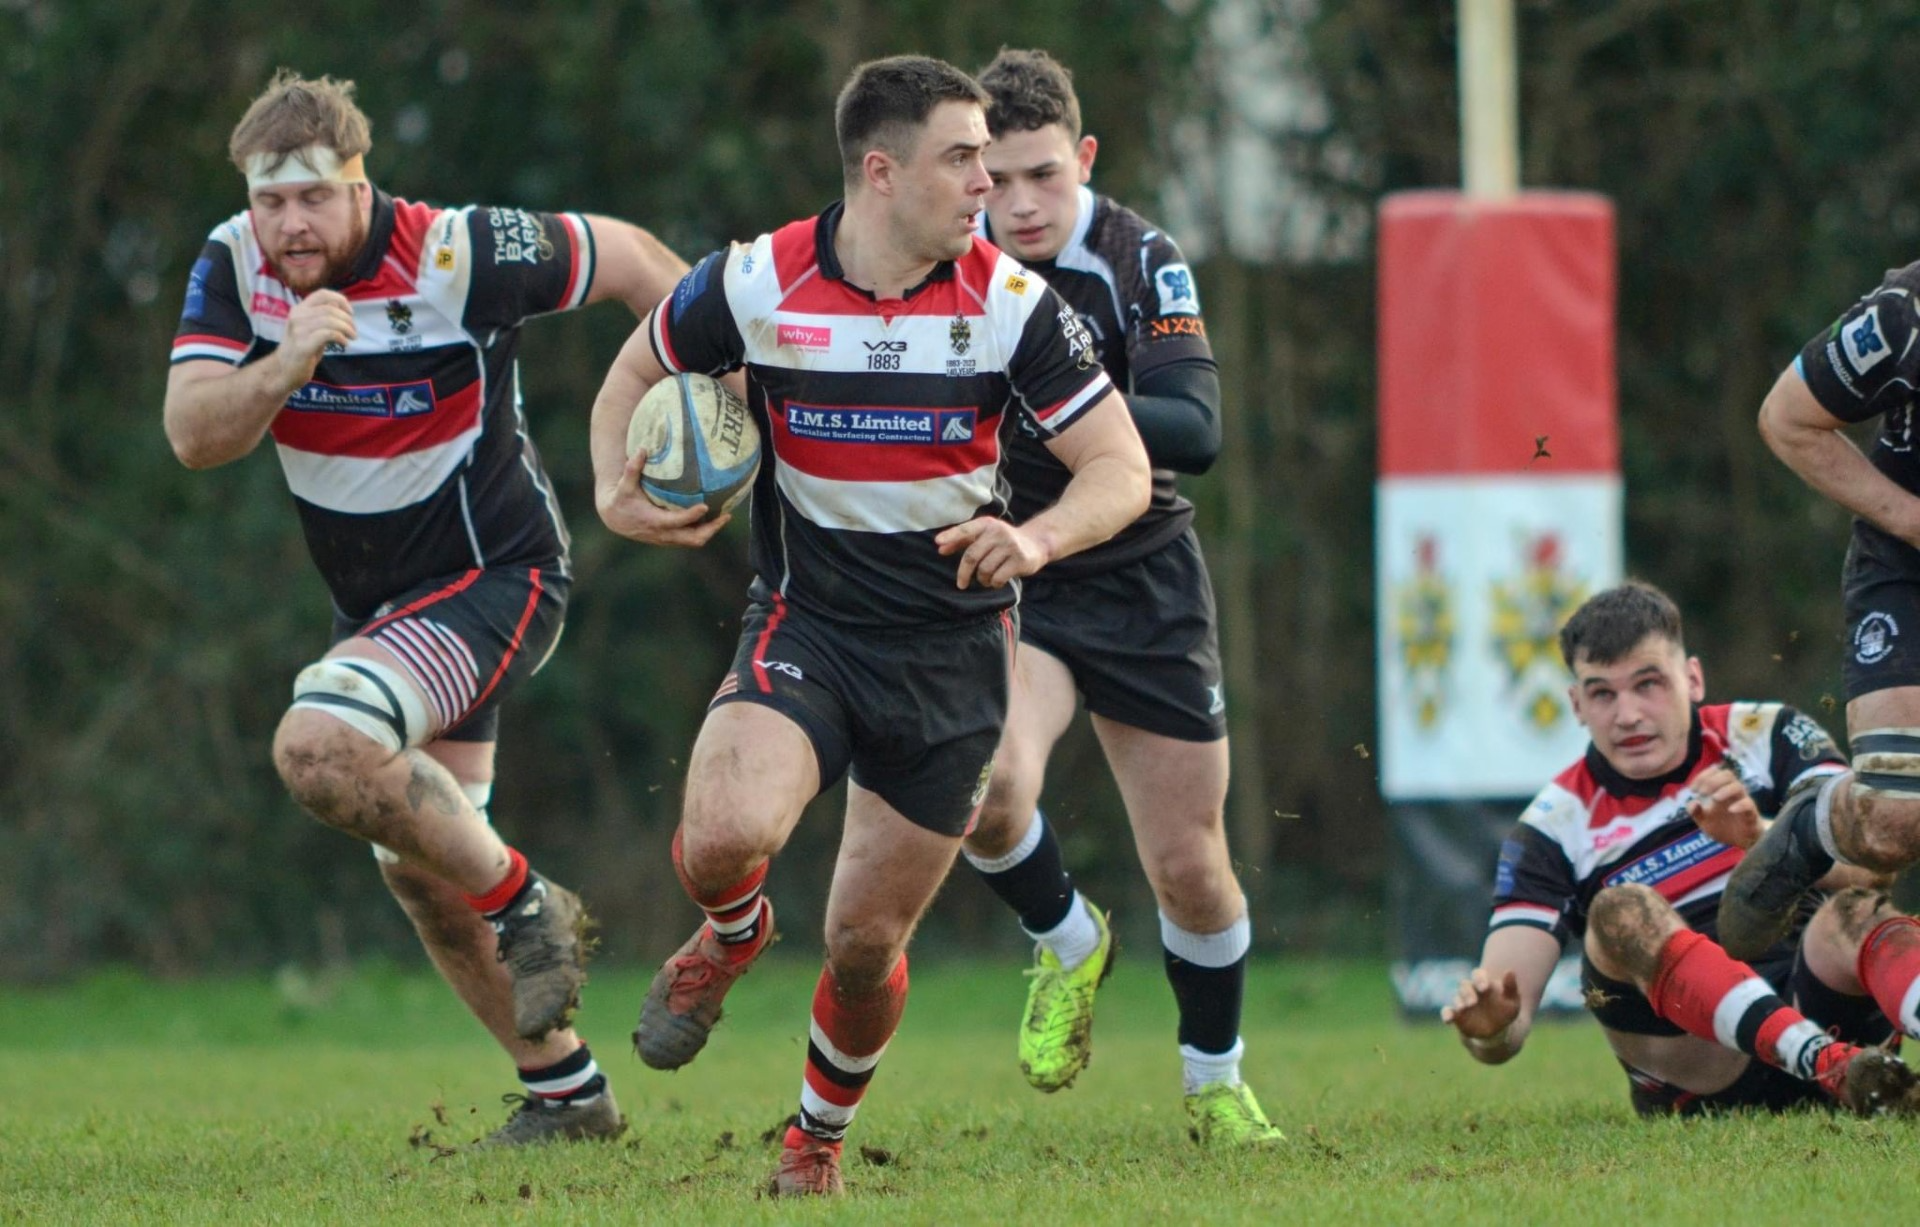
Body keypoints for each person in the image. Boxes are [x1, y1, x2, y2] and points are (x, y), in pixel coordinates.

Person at [589, 55, 1151, 1196]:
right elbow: (634, 368)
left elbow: (1121, 468)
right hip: (809, 622)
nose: (985, 182)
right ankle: (734, 933)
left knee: (861, 945)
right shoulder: (755, 283)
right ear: (881, 172)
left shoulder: (1008, 303)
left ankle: (813, 1141)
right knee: (719, 836)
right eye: (961, 159)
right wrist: (611, 487)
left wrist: (1037, 540)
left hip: (950, 655)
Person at [164, 70, 691, 1147]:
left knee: (317, 749)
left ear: (363, 187)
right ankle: (569, 1099)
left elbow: (639, 262)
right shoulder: (233, 264)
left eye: (314, 197)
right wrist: (287, 361)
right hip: (383, 609)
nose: (290, 224)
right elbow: (193, 434)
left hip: (498, 576)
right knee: (418, 866)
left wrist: (703, 406)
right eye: (272, 202)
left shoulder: (458, 249)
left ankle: (529, 904)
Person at [954, 48, 1280, 1146]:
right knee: (984, 787)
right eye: (995, 181)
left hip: (1140, 573)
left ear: (1083, 157)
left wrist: (1058, 406)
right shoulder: (938, 265)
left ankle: (1215, 1083)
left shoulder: (1141, 259)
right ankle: (1066, 940)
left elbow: (1197, 431)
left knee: (1191, 868)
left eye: (1044, 174)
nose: (1022, 204)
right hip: (1016, 572)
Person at [1443, 581, 1920, 1117]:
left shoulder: (1769, 734)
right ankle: (1823, 1062)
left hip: (1824, 1006)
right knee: (1618, 909)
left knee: (1852, 909)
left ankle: (1852, 1067)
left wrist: (1761, 840)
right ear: (1576, 704)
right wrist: (1488, 1033)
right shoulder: (1552, 826)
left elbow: (1872, 871)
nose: (1627, 714)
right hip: (1709, 1077)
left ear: (1692, 678)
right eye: (1603, 693)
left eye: (1648, 684)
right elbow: (1508, 1015)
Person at [1722, 264, 1920, 958]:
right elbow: (1788, 417)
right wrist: (1913, 519)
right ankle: (1811, 827)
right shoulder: (1905, 313)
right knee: (1895, 819)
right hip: (1908, 564)